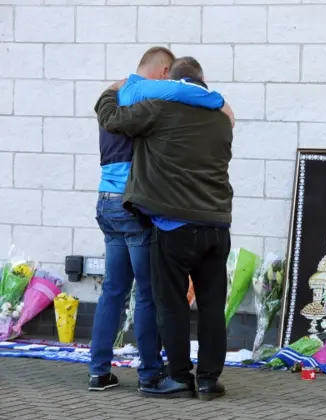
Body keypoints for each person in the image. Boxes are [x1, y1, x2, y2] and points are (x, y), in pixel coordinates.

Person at [90, 48, 229, 393]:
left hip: (153, 217)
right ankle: (197, 379)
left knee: (129, 293)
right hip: (212, 222)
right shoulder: (219, 118)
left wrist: (107, 94)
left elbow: (111, 120)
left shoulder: (150, 108)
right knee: (204, 306)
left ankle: (158, 374)